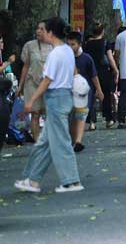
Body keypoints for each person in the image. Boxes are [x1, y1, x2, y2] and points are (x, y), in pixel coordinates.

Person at [15, 17, 83, 193]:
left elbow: (47, 80)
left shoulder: (55, 54)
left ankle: (71, 181)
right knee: (44, 143)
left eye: (43, 30)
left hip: (56, 98)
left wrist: (31, 100)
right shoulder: (67, 50)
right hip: (64, 96)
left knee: (60, 141)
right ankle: (33, 180)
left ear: (51, 32)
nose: (41, 33)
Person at [16, 22, 52, 141]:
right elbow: (26, 66)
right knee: (35, 113)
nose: (38, 31)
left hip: (49, 84)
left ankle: (50, 139)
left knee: (50, 114)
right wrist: (20, 86)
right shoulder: (29, 46)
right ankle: (37, 142)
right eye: (37, 28)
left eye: (42, 29)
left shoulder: (53, 46)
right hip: (32, 82)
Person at [66, 31, 102, 153]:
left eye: (73, 44)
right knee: (72, 118)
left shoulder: (87, 58)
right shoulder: (65, 59)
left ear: (79, 44)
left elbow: (94, 76)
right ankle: (73, 140)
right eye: (68, 44)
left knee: (80, 116)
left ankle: (78, 141)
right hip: (69, 92)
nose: (71, 47)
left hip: (85, 92)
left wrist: (99, 90)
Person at [83, 25, 118, 130]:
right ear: (102, 31)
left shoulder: (87, 43)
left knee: (91, 97)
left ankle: (92, 122)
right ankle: (108, 119)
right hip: (103, 72)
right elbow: (110, 58)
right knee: (106, 96)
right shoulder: (105, 43)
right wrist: (116, 70)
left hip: (90, 72)